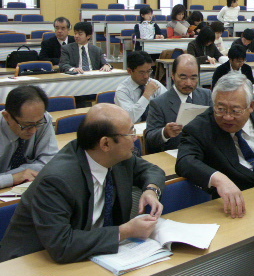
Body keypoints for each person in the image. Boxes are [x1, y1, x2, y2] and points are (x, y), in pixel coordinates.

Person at [0, 104, 165, 263]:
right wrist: (125, 231)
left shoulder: (117, 158)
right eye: (130, 133)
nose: (135, 138)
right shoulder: (57, 180)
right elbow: (62, 245)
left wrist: (151, 190)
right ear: (105, 144)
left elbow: (152, 170)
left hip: (90, 251)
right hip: (31, 262)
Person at [176, 73, 254, 218]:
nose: (227, 117)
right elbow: (185, 161)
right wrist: (218, 179)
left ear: (251, 106)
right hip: (237, 205)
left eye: (235, 111)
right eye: (220, 109)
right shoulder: (199, 128)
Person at [145, 54, 213, 154]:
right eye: (183, 77)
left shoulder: (206, 95)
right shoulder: (159, 103)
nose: (188, 83)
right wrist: (165, 133)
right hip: (175, 155)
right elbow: (150, 139)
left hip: (204, 153)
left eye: (193, 78)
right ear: (173, 75)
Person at [0, 86, 58, 189]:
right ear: (7, 116)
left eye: (38, 123)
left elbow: (50, 161)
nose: (33, 130)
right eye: (26, 125)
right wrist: (12, 178)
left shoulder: (43, 119)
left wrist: (23, 172)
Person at [115, 51, 167, 123]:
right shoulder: (122, 91)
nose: (146, 76)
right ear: (130, 71)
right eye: (141, 72)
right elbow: (130, 118)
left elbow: (169, 104)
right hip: (133, 128)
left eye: (148, 71)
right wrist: (146, 95)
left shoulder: (154, 84)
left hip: (155, 125)